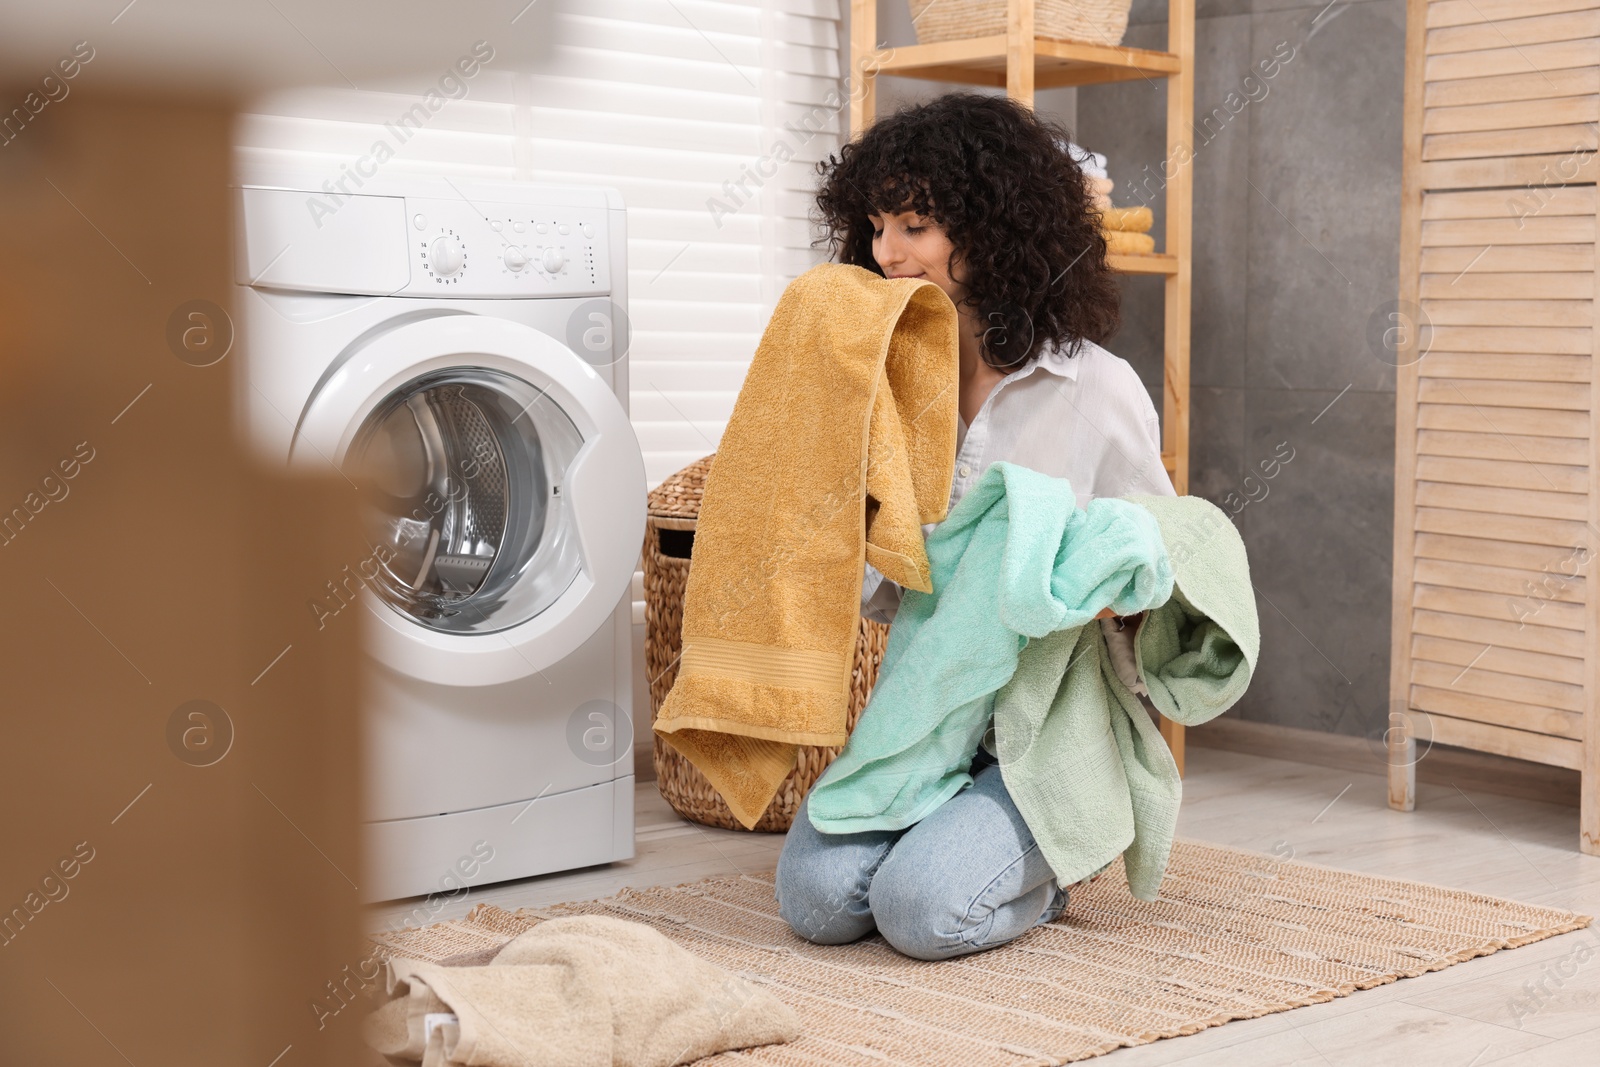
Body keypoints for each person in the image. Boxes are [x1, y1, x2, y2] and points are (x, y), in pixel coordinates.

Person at [773, 92, 1176, 961]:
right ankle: (959, 831)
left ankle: (1061, 856)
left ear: (992, 228)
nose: (888, 253)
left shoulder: (1095, 389)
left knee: (921, 911)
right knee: (816, 901)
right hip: (923, 715)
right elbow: (884, 591)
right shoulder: (880, 386)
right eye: (877, 226)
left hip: (1039, 725)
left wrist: (1081, 578)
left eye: (916, 224)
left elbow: (1155, 564)